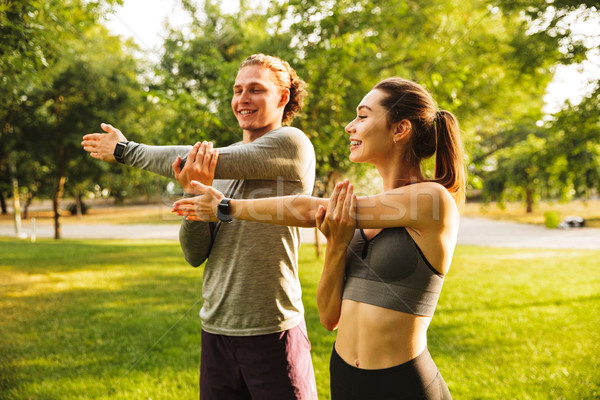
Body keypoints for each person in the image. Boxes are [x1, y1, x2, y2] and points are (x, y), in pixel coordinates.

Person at [172, 77, 465, 399]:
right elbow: (328, 317)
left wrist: (226, 207)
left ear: (400, 129)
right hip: (345, 379)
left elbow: (309, 210)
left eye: (363, 116)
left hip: (403, 384)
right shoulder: (354, 216)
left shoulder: (432, 200)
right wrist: (337, 245)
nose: (350, 127)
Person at [81, 54, 318, 399]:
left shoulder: (292, 144)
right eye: (237, 90)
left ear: (283, 98)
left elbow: (193, 157)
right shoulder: (217, 169)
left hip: (273, 329)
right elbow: (195, 254)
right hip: (217, 330)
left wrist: (125, 150)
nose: (242, 99)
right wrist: (192, 191)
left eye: (256, 89)